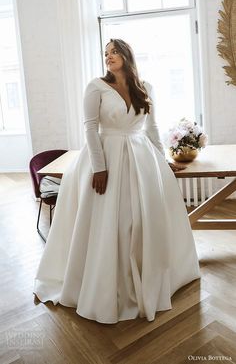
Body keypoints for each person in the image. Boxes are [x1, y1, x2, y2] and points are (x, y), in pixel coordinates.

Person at [34, 39, 200, 324]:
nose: (108, 56)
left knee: (141, 221)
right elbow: (89, 128)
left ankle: (146, 277)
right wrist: (100, 167)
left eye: (113, 51)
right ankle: (110, 285)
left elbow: (152, 127)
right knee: (114, 222)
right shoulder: (96, 86)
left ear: (126, 54)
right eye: (105, 53)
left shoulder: (145, 87)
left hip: (141, 159)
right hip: (108, 156)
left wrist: (163, 160)